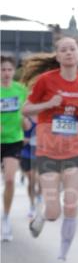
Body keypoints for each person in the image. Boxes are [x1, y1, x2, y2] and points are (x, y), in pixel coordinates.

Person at [21, 38, 78, 263]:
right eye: (63, 50)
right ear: (57, 56)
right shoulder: (46, 80)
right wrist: (48, 103)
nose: (68, 53)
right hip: (48, 151)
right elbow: (26, 109)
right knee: (54, 212)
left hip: (75, 150)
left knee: (71, 205)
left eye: (72, 49)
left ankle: (62, 260)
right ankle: (42, 215)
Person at [1, 55, 28, 241]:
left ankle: (6, 218)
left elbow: (26, 112)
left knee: (10, 180)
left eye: (9, 69)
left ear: (14, 71)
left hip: (13, 140)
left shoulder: (21, 90)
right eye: (3, 70)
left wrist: (26, 121)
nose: (6, 73)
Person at [19, 115, 40, 219]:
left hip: (41, 153)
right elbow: (17, 136)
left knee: (40, 180)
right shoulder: (25, 118)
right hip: (26, 154)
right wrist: (26, 139)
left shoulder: (44, 117)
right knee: (32, 180)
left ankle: (39, 197)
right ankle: (32, 205)